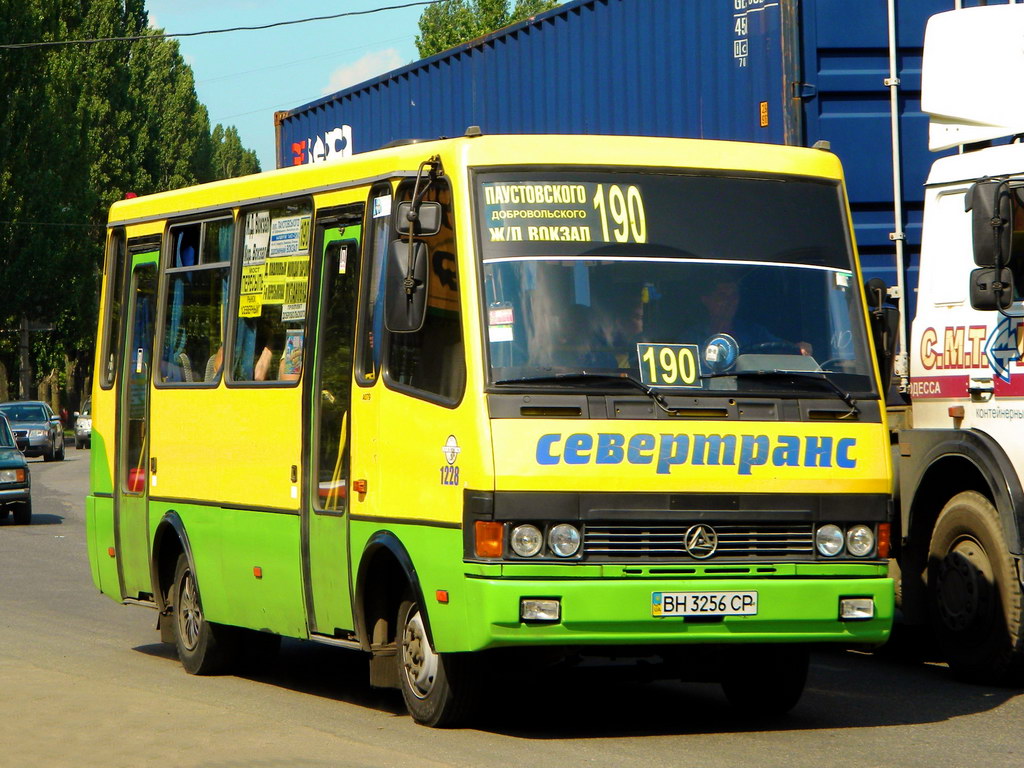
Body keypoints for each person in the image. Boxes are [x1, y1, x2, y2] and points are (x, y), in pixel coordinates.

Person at [697, 278, 811, 356]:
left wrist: (799, 348)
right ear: (706, 300)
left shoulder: (754, 332)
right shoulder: (693, 337)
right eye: (722, 296)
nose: (730, 302)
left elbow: (782, 348)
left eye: (734, 296)